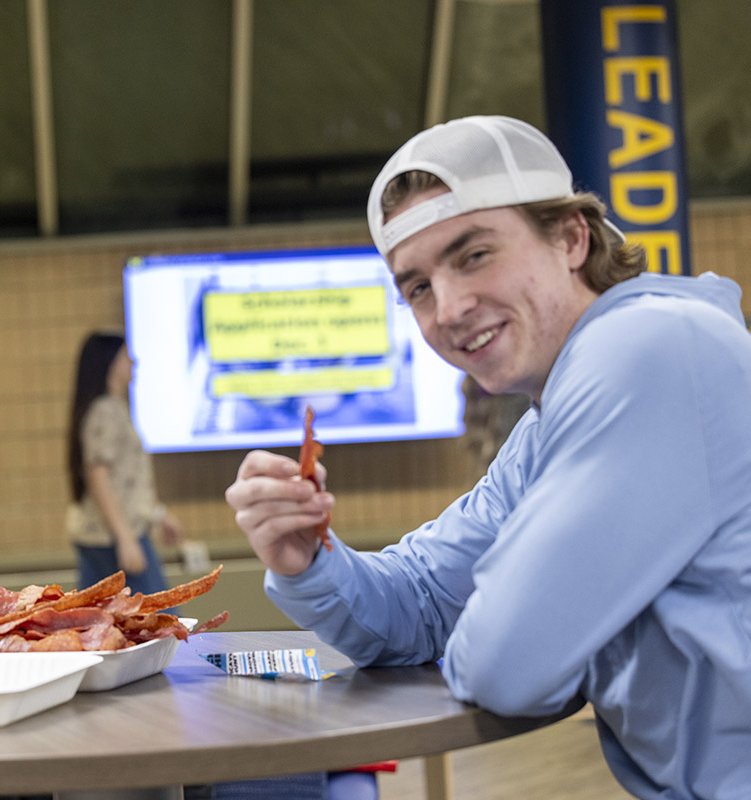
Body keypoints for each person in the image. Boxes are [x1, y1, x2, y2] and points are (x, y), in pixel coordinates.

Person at [225, 115, 751, 799]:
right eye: (416, 287)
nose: (448, 308)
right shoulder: (546, 426)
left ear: (570, 237)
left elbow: (509, 665)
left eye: (474, 255)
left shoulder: (650, 349)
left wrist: (508, 616)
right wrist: (310, 558)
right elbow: (418, 603)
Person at [65, 331, 182, 596]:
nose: (133, 362)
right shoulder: (105, 411)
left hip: (104, 534)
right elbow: (99, 475)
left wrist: (158, 515)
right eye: (126, 356)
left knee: (97, 620)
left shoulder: (110, 408)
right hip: (113, 536)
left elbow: (125, 480)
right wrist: (125, 538)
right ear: (109, 362)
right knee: (159, 612)